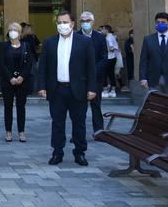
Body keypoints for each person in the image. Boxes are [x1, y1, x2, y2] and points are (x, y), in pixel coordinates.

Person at [37, 10, 97, 166]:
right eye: (59, 22)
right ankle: (57, 152)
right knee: (57, 122)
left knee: (79, 122)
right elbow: (43, 66)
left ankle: (80, 152)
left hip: (78, 89)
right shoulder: (49, 42)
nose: (62, 25)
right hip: (57, 89)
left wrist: (92, 88)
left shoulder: (84, 42)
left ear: (72, 24)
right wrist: (42, 86)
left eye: (65, 22)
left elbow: (91, 68)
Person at [0, 22, 32, 143]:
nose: (13, 32)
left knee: (21, 107)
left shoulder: (26, 46)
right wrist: (10, 78)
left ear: (20, 33)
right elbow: (1, 64)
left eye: (15, 30)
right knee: (8, 107)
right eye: (11, 29)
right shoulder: (3, 46)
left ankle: (21, 131)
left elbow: (29, 64)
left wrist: (22, 77)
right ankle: (8, 131)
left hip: (22, 82)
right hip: (8, 82)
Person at [139, 12, 168, 97]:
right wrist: (143, 78)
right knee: (155, 105)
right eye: (158, 22)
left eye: (163, 22)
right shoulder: (148, 39)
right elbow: (143, 60)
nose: (160, 24)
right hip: (153, 80)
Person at [76, 11, 107, 132]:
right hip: (79, 78)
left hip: (96, 79)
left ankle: (99, 131)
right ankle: (78, 133)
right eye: (83, 21)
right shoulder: (75, 36)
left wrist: (93, 71)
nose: (85, 23)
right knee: (79, 108)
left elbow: (104, 57)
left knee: (96, 105)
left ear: (93, 22)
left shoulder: (100, 37)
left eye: (88, 20)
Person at [101, 25, 120, 98]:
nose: (102, 31)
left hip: (109, 58)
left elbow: (111, 48)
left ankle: (106, 90)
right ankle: (112, 90)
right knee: (111, 74)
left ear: (106, 30)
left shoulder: (108, 37)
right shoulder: (111, 36)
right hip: (112, 58)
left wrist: (107, 50)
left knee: (105, 74)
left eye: (103, 29)